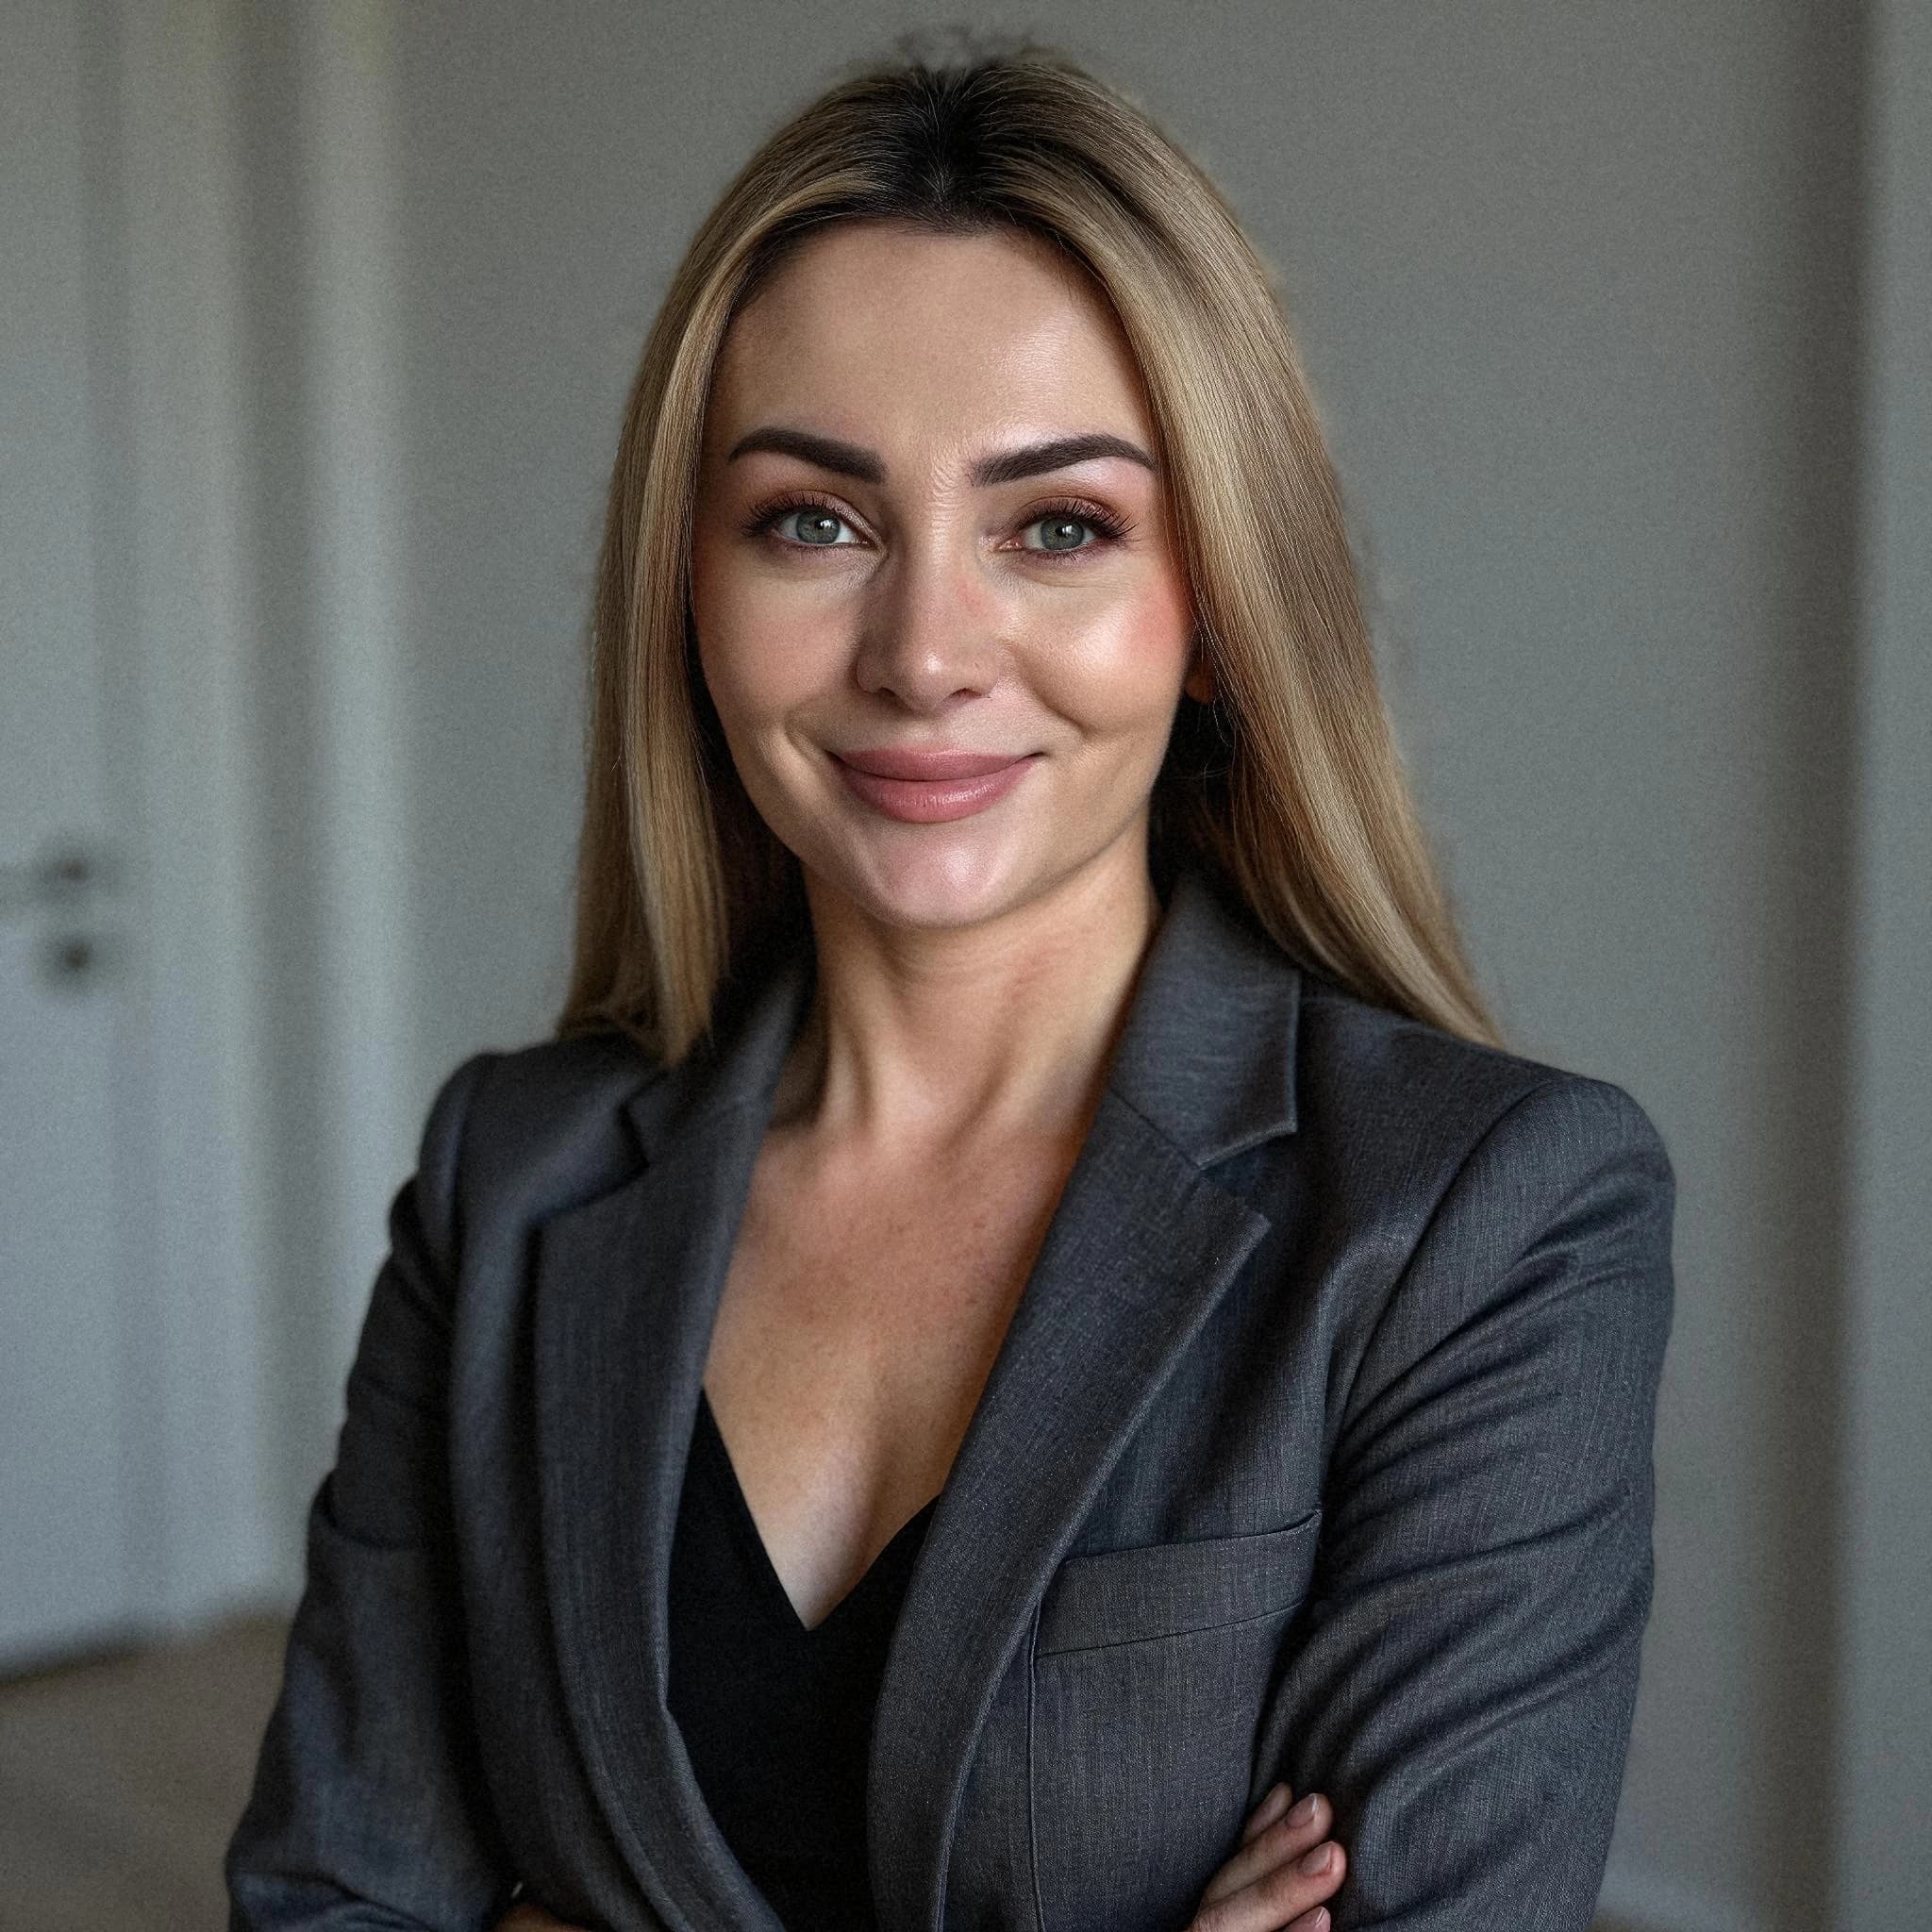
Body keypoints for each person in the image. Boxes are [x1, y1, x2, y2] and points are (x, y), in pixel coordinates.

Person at [225, 40, 1675, 1932]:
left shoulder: (1488, 1218)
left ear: (1217, 611)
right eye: (813, 521)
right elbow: (326, 1903)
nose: (923, 652)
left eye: (1055, 525)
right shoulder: (511, 1174)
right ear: (691, 596)